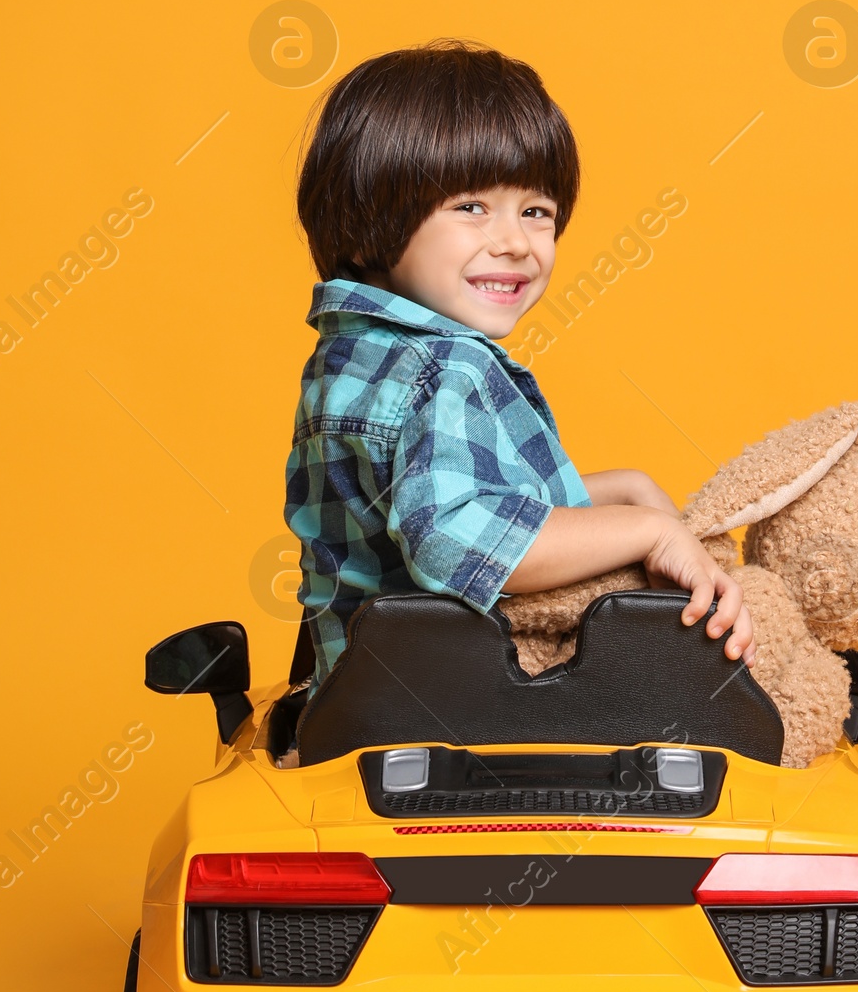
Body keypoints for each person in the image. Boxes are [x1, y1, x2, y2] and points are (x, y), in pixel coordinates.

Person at [285, 41, 754, 685]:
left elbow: (439, 492)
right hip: (453, 708)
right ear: (370, 219)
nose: (514, 243)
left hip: (361, 694)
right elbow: (452, 542)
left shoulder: (357, 352)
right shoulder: (442, 366)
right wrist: (647, 533)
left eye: (536, 212)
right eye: (472, 207)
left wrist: (616, 493)